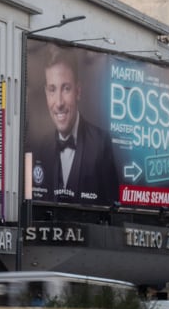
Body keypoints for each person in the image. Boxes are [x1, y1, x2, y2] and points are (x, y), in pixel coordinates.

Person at [32, 47, 121, 205]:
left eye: (66, 88)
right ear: (46, 93)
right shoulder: (41, 147)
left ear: (78, 91)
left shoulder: (101, 143)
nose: (59, 103)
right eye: (52, 90)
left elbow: (114, 210)